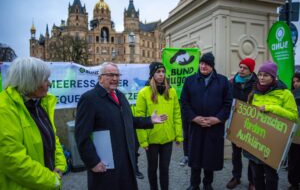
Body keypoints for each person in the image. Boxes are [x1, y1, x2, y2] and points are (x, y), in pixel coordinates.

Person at [75, 62, 167, 190]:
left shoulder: (120, 95)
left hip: (125, 158)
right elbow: (81, 136)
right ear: (100, 77)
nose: (115, 79)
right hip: (105, 163)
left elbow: (129, 120)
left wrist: (149, 120)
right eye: (110, 75)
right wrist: (93, 162)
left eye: (117, 75)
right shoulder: (89, 99)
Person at [0, 57, 67, 189]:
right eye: (45, 79)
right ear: (30, 80)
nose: (49, 83)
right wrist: (51, 180)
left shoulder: (40, 104)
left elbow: (53, 138)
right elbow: (12, 159)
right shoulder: (4, 108)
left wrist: (60, 165)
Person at [181, 52, 233, 190]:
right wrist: (194, 118)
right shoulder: (190, 80)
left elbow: (228, 103)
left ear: (212, 66)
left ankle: (208, 183)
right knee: (195, 156)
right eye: (202, 63)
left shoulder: (222, 81)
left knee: (210, 156)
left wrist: (218, 119)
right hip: (195, 126)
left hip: (214, 127)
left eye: (207, 64)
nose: (203, 66)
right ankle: (194, 184)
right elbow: (185, 103)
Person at [246, 62, 298, 190]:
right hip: (255, 139)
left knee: (270, 175)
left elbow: (294, 116)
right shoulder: (254, 91)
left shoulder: (285, 93)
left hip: (273, 142)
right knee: (256, 174)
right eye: (260, 75)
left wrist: (272, 108)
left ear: (273, 77)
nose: (262, 78)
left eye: (266, 75)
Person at [135, 62, 183, 190]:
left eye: (163, 71)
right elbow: (139, 118)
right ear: (152, 74)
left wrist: (178, 135)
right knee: (152, 169)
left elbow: (177, 114)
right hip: (151, 140)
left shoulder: (171, 91)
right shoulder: (143, 93)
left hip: (167, 138)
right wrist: (143, 141)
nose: (161, 75)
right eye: (158, 72)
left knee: (164, 169)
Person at [226, 58, 256, 190]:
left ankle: (252, 180)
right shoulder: (231, 82)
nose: (241, 70)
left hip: (251, 123)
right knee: (236, 152)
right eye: (240, 67)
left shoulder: (257, 83)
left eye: (245, 68)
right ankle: (236, 177)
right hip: (235, 121)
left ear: (251, 70)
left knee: (251, 153)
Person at [288, 73, 300, 190]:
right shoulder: (290, 95)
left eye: (298, 81)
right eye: (294, 81)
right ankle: (294, 182)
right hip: (294, 134)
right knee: (294, 159)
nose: (295, 83)